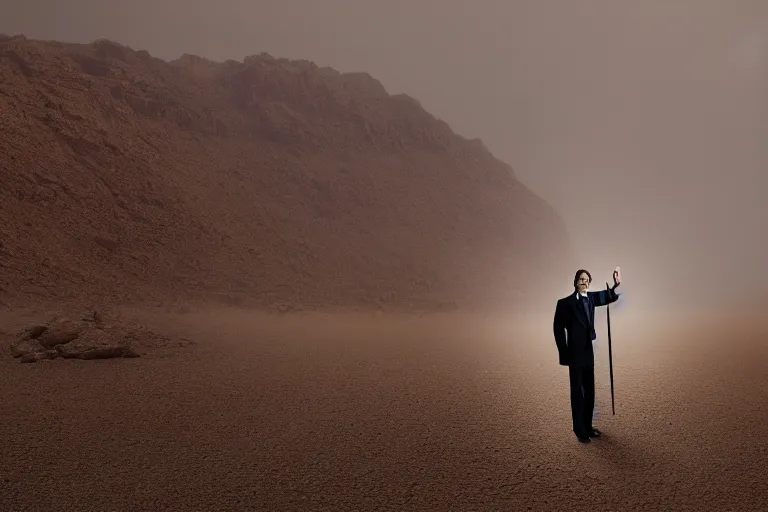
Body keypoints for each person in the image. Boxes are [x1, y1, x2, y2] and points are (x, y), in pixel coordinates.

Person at [553, 267, 621, 443]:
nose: (585, 282)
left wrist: (614, 286)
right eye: (581, 279)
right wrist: (564, 353)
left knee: (589, 390)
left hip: (587, 351)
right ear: (576, 282)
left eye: (587, 280)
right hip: (574, 353)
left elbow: (607, 296)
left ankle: (588, 427)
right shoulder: (565, 303)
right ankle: (579, 430)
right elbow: (558, 329)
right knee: (577, 392)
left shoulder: (590, 298)